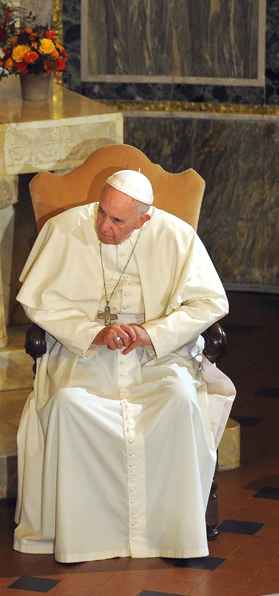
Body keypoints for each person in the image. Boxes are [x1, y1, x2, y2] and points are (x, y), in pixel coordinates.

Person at [13, 169, 231, 563]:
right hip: (83, 352)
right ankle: (83, 537)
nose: (103, 226)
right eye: (101, 212)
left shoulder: (176, 236)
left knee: (180, 399)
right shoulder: (65, 229)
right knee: (69, 404)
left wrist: (154, 333)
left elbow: (210, 303)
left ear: (143, 219)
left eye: (117, 220)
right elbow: (39, 303)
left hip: (157, 355)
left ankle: (171, 535)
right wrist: (91, 332)